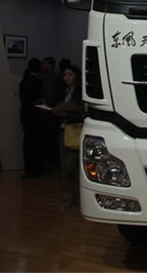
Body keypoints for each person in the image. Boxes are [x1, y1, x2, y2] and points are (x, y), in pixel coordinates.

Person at [53, 65, 85, 211]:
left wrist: (66, 114)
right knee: (64, 167)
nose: (67, 77)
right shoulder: (64, 92)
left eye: (70, 74)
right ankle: (68, 196)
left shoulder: (79, 94)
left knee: (72, 165)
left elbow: (81, 113)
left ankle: (78, 196)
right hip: (63, 130)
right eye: (65, 75)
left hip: (75, 131)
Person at [19, 58, 44, 179]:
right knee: (36, 142)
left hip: (25, 113)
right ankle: (36, 168)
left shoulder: (23, 82)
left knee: (27, 140)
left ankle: (28, 168)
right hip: (35, 114)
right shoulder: (38, 82)